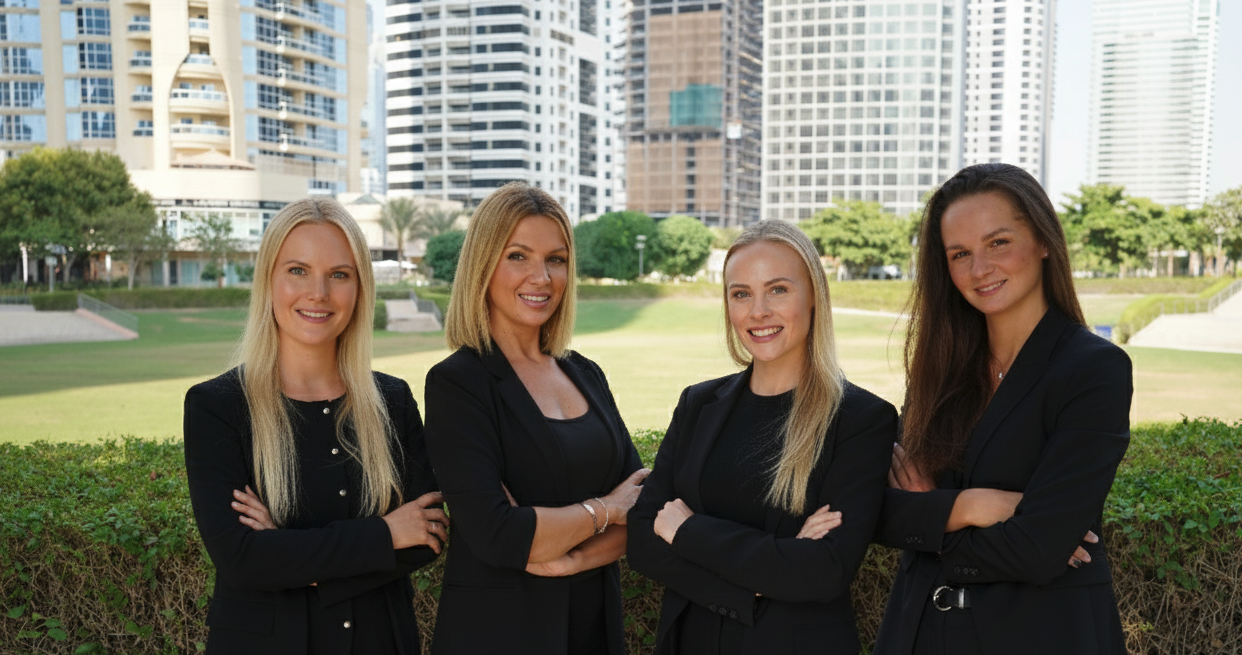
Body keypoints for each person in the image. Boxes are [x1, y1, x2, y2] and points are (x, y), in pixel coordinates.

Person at [875, 163, 1132, 655]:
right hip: (918, 632)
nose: (979, 269)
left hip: (1040, 635)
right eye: (960, 254)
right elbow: (880, 513)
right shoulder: (940, 366)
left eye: (998, 243)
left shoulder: (1094, 369)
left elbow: (1038, 549)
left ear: (1042, 241)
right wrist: (974, 506)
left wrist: (931, 517)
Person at [183, 198, 447, 654]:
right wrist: (385, 534)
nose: (318, 293)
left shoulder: (393, 400)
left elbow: (427, 536)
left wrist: (286, 552)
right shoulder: (217, 407)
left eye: (339, 275)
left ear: (360, 288)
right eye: (298, 270)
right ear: (268, 281)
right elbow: (242, 560)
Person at [626, 220, 897, 655]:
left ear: (813, 298)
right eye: (741, 294)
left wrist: (687, 531)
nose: (758, 312)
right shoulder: (698, 404)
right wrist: (760, 576)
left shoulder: (861, 419)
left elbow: (823, 570)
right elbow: (642, 539)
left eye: (778, 290)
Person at [422, 182, 649, 655]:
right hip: (500, 633)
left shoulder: (586, 374)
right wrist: (604, 510)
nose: (541, 277)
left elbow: (643, 509)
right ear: (484, 264)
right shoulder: (459, 383)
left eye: (557, 259)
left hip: (593, 629)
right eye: (518, 256)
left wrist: (566, 556)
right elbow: (498, 534)